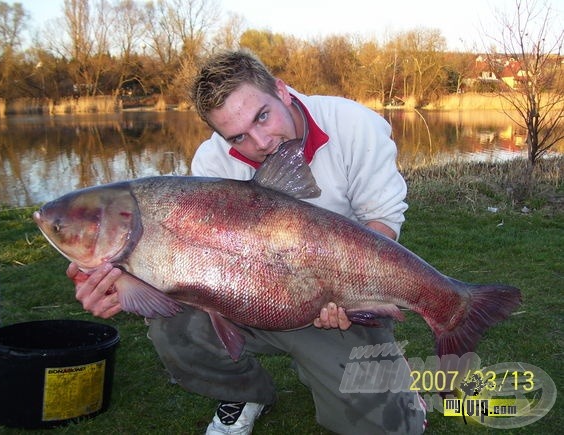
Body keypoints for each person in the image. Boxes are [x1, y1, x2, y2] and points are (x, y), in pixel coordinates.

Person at [67, 50, 427, 434]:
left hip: (340, 297)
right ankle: (242, 391)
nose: (261, 141)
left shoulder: (354, 125)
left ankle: (378, 367)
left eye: (262, 116)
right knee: (172, 327)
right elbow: (190, 263)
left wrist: (347, 293)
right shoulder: (212, 164)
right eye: (238, 135)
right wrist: (122, 283)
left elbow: (383, 221)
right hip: (249, 295)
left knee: (393, 427)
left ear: (282, 91)